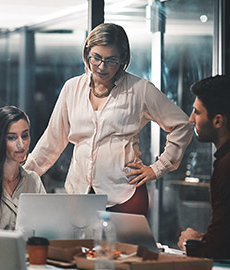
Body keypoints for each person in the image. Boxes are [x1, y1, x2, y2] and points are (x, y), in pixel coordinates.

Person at [24, 23, 193, 215]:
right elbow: (52, 140)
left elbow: (182, 125)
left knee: (123, 246)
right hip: (78, 193)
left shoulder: (140, 89)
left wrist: (158, 168)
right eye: (96, 58)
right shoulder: (72, 88)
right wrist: (24, 175)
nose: (102, 67)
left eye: (111, 60)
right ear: (87, 52)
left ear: (122, 60)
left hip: (126, 194)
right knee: (78, 245)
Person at [177, 75, 230, 259]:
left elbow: (219, 249)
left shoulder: (226, 168)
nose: (191, 119)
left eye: (197, 112)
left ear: (217, 120)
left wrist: (190, 243)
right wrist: (206, 239)